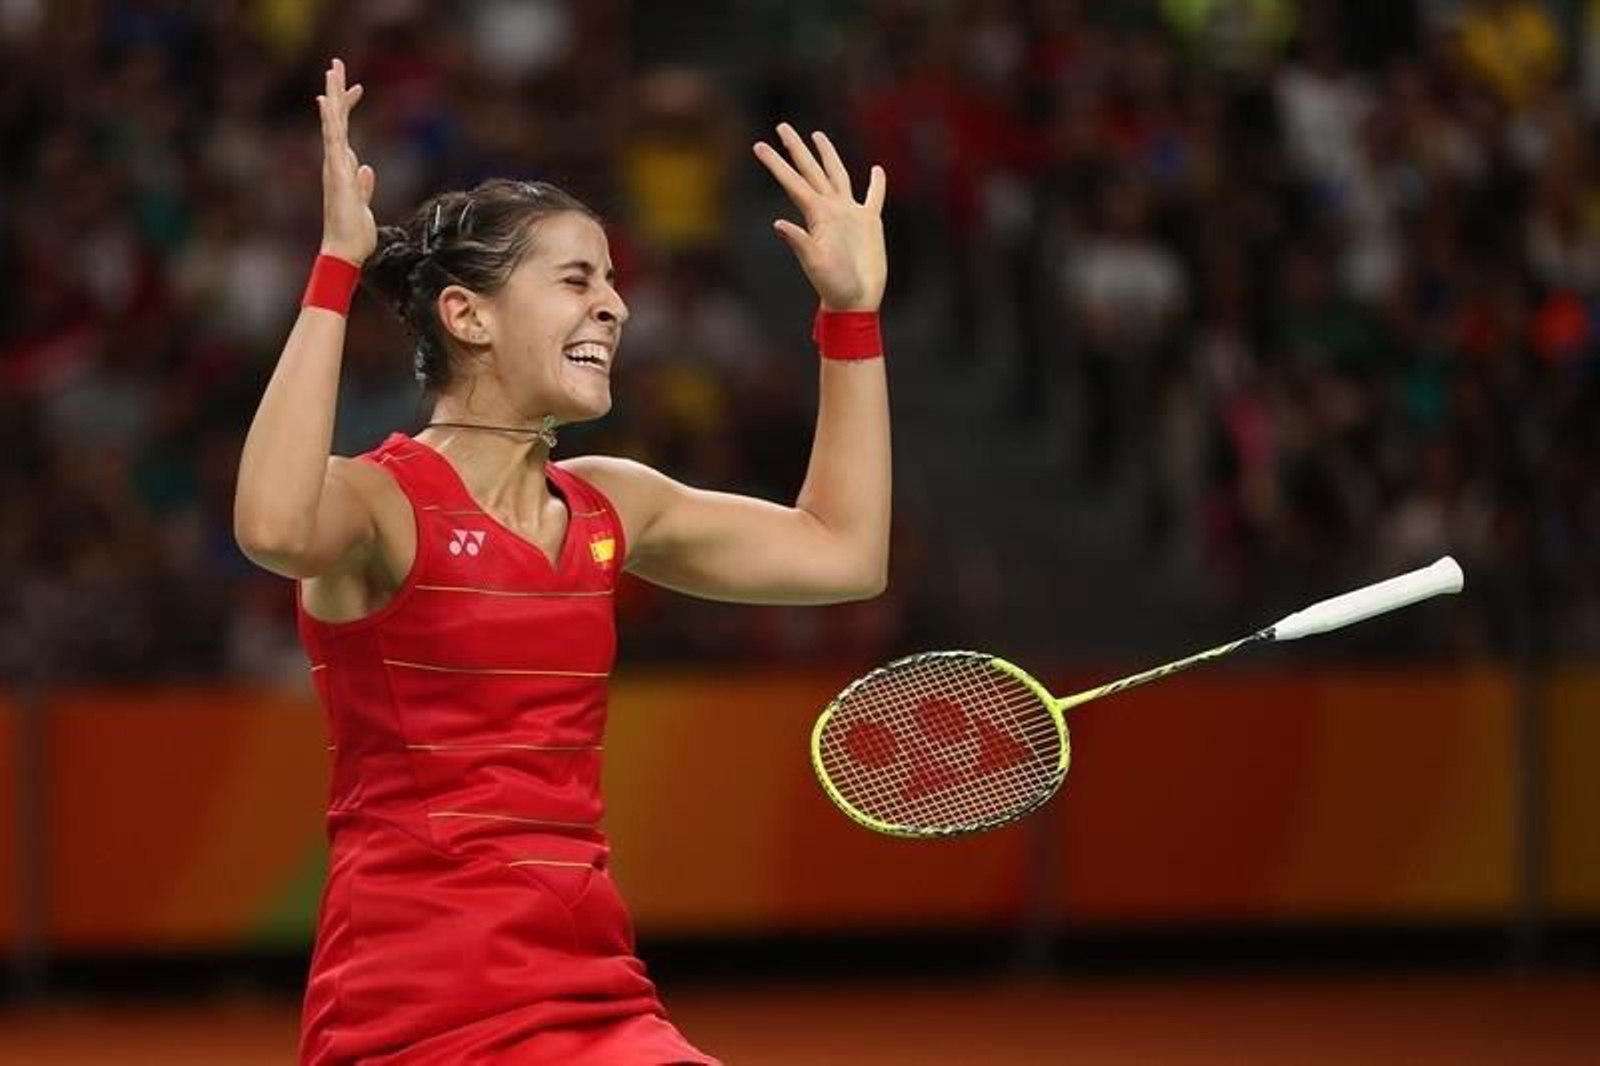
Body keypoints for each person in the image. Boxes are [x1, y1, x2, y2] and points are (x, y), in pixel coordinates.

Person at [233, 59, 891, 1065]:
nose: (615, 307)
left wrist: (850, 316)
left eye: (615, 281)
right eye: (578, 280)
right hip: (411, 1011)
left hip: (595, 999)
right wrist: (335, 265)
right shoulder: (380, 502)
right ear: (467, 315)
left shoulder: (611, 503)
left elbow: (843, 552)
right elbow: (274, 526)